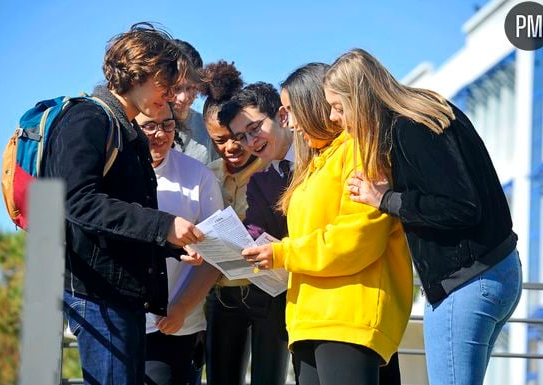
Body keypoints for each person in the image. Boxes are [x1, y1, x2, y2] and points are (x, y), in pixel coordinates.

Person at [326, 48, 523, 385]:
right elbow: (450, 184)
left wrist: (385, 198)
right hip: (496, 270)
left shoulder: (410, 127)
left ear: (361, 99)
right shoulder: (428, 110)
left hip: (465, 282)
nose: (333, 118)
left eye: (338, 107)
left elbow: (459, 205)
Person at [229, 64, 414, 385]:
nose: (292, 122)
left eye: (290, 111)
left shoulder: (359, 151)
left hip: (349, 315)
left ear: (315, 104)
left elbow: (357, 239)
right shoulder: (312, 165)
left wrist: (283, 254)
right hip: (308, 318)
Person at [42, 23, 204, 385]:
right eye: (165, 82)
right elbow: (78, 202)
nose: (171, 94)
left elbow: (119, 220)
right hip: (98, 297)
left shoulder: (124, 128)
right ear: (138, 73)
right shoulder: (88, 118)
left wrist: (171, 246)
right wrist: (164, 227)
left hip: (122, 297)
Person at [199, 63, 288, 385]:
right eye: (219, 140)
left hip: (270, 291)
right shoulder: (207, 175)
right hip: (222, 295)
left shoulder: (275, 169)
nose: (231, 148)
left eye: (237, 137)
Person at [135, 103, 223, 385]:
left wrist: (182, 308)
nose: (159, 134)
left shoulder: (199, 177)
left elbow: (214, 256)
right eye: (149, 125)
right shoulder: (112, 173)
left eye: (167, 125)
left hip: (175, 327)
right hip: (123, 323)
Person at [171, 39, 219, 164]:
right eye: (176, 88)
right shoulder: (142, 125)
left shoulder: (208, 129)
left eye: (191, 88)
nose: (183, 97)